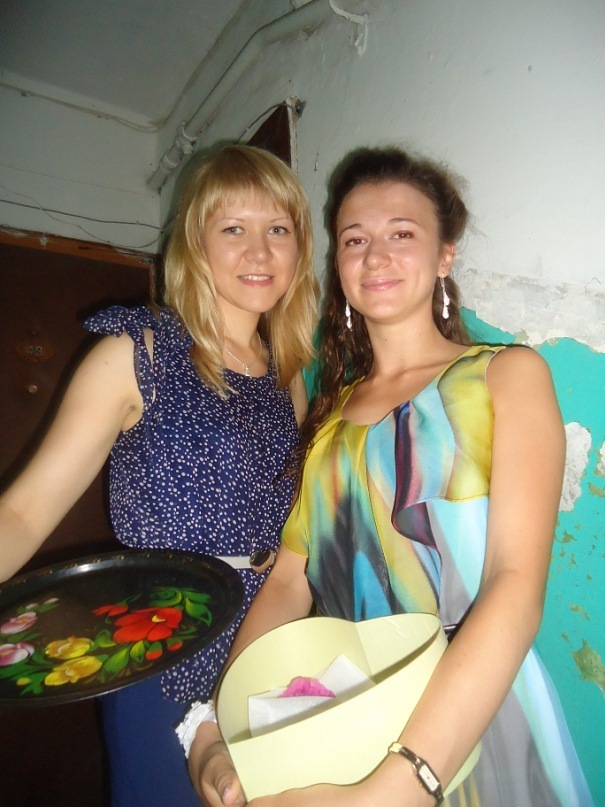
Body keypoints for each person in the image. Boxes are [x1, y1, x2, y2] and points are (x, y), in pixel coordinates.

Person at [186, 147, 593, 807]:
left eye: (401, 234)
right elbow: (288, 582)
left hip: (476, 720)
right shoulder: (327, 421)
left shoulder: (505, 376)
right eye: (354, 240)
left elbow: (514, 583)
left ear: (444, 256)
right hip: (352, 721)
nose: (375, 256)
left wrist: (406, 779)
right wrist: (220, 722)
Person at [0, 144, 318, 806]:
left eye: (277, 229)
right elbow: (22, 513)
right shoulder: (138, 350)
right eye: (233, 228)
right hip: (162, 641)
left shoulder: (287, 377)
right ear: (195, 243)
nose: (259, 251)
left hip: (265, 643)